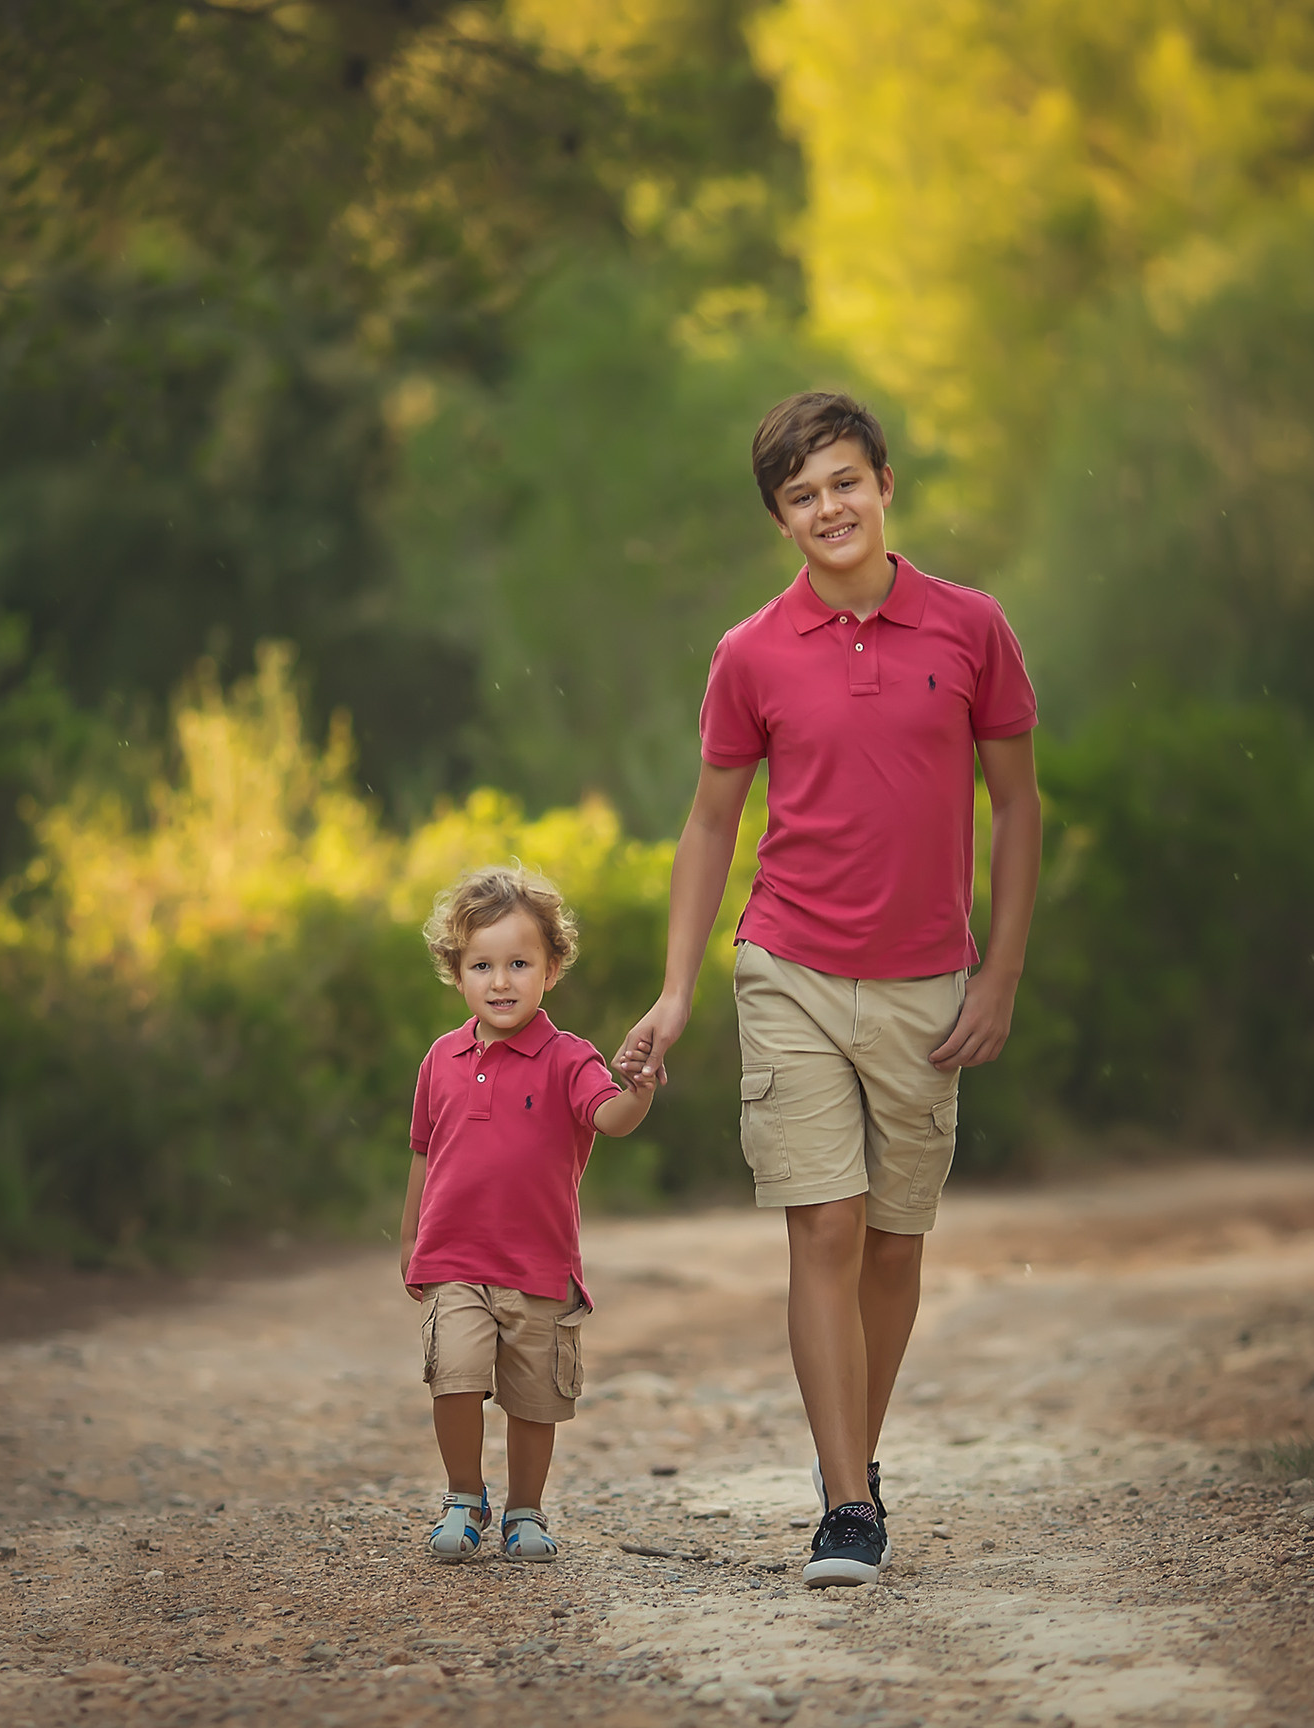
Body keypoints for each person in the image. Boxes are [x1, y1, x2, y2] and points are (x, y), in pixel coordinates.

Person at [617, 391, 1042, 1589]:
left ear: (885, 483)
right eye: (801, 496)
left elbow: (1015, 806)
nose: (827, 508)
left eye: (844, 482)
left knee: (896, 1246)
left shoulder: (970, 626)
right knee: (825, 1223)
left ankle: (848, 1451)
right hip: (788, 964)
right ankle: (848, 1500)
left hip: (928, 984)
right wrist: (677, 988)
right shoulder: (749, 652)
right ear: (780, 519)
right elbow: (710, 824)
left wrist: (998, 972)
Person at [400, 865, 658, 1563]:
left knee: (532, 1400)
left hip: (538, 1267)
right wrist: (411, 1238)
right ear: (458, 973)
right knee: (453, 1374)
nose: (502, 980)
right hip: (454, 1257)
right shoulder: (441, 1058)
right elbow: (424, 1154)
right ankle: (463, 1494)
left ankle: (525, 1509)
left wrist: (638, 1091)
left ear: (552, 967)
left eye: (520, 962)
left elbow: (610, 1117)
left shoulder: (568, 1058)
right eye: (482, 964)